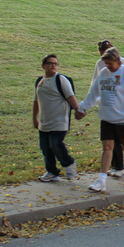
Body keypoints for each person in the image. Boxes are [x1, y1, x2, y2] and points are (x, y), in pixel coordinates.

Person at [76, 47, 124, 192]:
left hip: (123, 117)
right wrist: (83, 107)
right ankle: (101, 181)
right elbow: (93, 94)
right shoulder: (103, 74)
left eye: (110, 63)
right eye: (106, 64)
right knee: (107, 148)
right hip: (107, 118)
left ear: (118, 61)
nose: (108, 66)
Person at [32, 54, 81, 183]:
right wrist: (34, 118)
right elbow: (36, 101)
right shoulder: (40, 82)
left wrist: (78, 110)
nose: (53, 66)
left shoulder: (61, 80)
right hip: (44, 121)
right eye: (50, 63)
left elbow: (71, 97)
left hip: (60, 121)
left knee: (55, 144)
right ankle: (52, 172)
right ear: (43, 66)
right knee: (45, 148)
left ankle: (69, 164)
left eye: (56, 63)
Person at [93, 40, 124, 177]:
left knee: (122, 142)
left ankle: (122, 167)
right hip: (107, 106)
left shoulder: (123, 64)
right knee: (108, 141)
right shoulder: (100, 64)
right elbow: (95, 84)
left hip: (120, 107)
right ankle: (112, 168)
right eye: (102, 52)